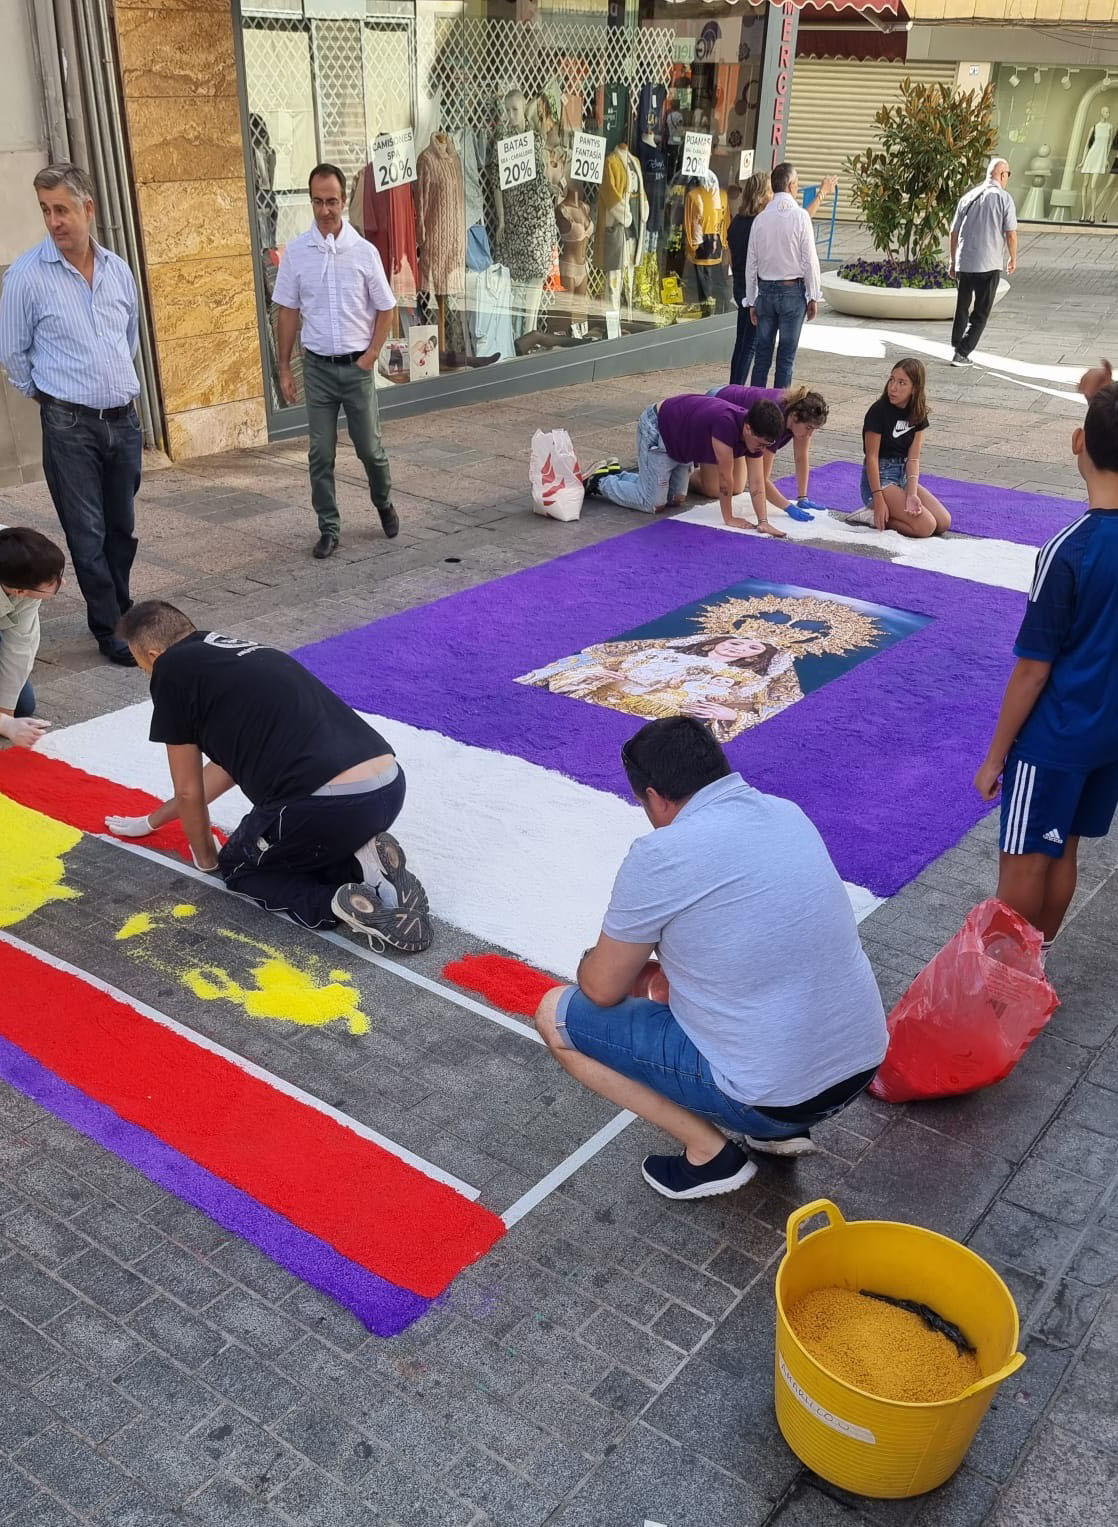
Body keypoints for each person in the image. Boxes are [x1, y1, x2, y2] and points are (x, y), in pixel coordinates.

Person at [532, 717, 887, 1199]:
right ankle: (775, 1132)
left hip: (774, 1094)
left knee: (556, 1015)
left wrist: (592, 961)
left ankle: (710, 1155)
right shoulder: (787, 812)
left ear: (656, 797)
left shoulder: (662, 854)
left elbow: (601, 988)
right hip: (861, 1061)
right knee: (683, 985)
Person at [114, 601, 431, 953]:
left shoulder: (171, 671)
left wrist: (207, 860)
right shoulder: (232, 653)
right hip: (387, 785)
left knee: (240, 866)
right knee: (296, 842)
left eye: (140, 664)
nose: (146, 673)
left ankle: (337, 902)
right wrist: (152, 819)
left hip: (326, 804)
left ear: (154, 654)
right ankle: (367, 861)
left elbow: (188, 791)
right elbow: (225, 771)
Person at [974, 360, 1118, 956]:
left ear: (1078, 442)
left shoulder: (1068, 551)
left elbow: (1033, 669)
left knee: (1025, 862)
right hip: (1106, 734)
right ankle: (1034, 965)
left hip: (1054, 736)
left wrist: (995, 755)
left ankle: (1002, 982)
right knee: (1066, 848)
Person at [0, 164, 141, 667]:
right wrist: (53, 401)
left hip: (123, 420)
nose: (54, 220)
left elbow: (129, 341)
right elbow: (14, 356)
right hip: (68, 423)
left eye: (62, 208)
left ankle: (122, 610)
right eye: (45, 210)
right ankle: (110, 627)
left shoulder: (118, 269)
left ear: (88, 208)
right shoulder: (25, 277)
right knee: (88, 532)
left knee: (122, 528)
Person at [273, 163, 399, 560]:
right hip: (319, 369)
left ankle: (383, 501)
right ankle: (328, 527)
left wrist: (372, 354)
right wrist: (283, 368)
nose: (325, 210)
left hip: (356, 368)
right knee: (320, 453)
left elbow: (386, 308)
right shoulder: (296, 253)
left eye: (332, 201)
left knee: (370, 450)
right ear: (310, 201)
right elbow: (288, 312)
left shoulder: (363, 252)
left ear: (344, 202)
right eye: (317, 201)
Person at [519, 632, 803, 742]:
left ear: (755, 657)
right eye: (735, 641)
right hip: (605, 697)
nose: (738, 648)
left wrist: (730, 715)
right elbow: (605, 660)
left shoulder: (748, 680)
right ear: (716, 641)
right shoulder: (659, 653)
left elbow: (760, 710)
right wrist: (598, 673)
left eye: (751, 648)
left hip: (663, 718)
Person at [584, 392, 787, 535]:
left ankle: (617, 474)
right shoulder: (727, 425)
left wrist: (763, 522)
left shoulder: (755, 437)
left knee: (677, 498)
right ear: (748, 429)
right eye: (760, 443)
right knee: (653, 504)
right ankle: (599, 480)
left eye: (766, 445)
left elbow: (758, 482)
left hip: (682, 443)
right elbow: (725, 481)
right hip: (659, 429)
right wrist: (729, 518)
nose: (761, 448)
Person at [691, 385, 829, 525]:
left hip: (740, 429)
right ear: (794, 417)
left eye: (814, 429)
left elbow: (801, 457)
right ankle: (690, 474)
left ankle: (705, 468)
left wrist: (802, 497)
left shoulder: (800, 419)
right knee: (714, 488)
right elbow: (760, 479)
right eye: (809, 428)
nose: (809, 434)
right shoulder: (774, 424)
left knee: (737, 487)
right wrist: (787, 507)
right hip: (715, 404)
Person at [843, 360, 951, 538]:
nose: (893, 387)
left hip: (902, 476)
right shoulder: (878, 411)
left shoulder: (917, 412)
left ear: (914, 388)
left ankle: (892, 510)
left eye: (902, 383)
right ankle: (870, 515)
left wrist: (912, 493)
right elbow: (871, 458)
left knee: (943, 522)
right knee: (926, 526)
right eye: (891, 380)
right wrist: (878, 499)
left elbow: (913, 459)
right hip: (879, 478)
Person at [744, 162, 822, 389]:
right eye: (796, 182)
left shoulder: (760, 219)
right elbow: (809, 259)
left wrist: (751, 300)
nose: (797, 186)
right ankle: (779, 410)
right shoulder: (800, 217)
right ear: (790, 185)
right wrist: (813, 295)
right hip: (791, 291)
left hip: (766, 292)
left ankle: (756, 407)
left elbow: (752, 263)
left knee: (762, 358)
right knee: (785, 360)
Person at [949, 158, 1017, 369]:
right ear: (1003, 174)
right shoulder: (1004, 198)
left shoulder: (968, 197)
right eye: (1008, 175)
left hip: (965, 263)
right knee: (981, 312)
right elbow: (1011, 234)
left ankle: (956, 343)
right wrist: (1013, 258)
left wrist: (953, 260)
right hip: (988, 264)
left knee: (962, 306)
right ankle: (962, 352)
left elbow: (954, 232)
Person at [0, 527, 65, 748]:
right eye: (52, 582)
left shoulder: (21, 558)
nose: (61, 583)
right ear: (20, 591)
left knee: (21, 705)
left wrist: (6, 713)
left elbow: (20, 645)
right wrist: (5, 725)